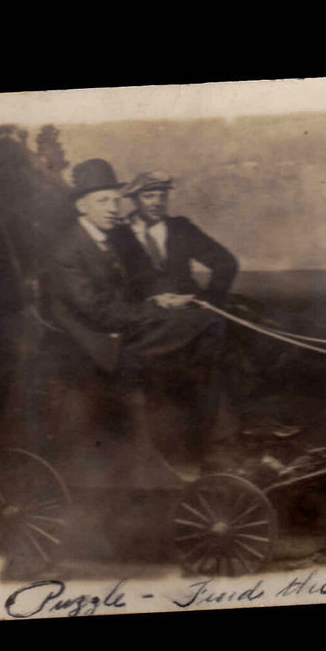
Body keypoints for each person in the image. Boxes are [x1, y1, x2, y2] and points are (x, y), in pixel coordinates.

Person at [46, 158, 235, 464]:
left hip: (118, 327)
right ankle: (203, 445)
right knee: (201, 329)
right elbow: (98, 312)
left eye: (115, 200)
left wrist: (161, 302)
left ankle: (201, 443)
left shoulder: (105, 239)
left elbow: (127, 293)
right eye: (102, 201)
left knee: (203, 332)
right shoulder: (67, 250)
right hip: (96, 343)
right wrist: (153, 307)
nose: (113, 208)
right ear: (82, 206)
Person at [119, 170, 239, 306]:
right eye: (149, 196)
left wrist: (211, 299)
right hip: (144, 314)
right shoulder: (119, 232)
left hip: (189, 310)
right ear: (134, 200)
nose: (157, 203)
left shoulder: (181, 228)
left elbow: (225, 262)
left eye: (162, 196)